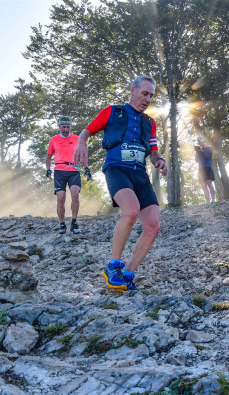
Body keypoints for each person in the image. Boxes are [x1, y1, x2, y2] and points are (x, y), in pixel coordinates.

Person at [74, 76, 167, 292]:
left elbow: (153, 153)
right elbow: (87, 132)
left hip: (140, 174)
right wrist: (81, 145)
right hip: (117, 169)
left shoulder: (149, 123)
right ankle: (113, 266)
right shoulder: (112, 112)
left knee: (153, 225)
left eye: (151, 95)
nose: (148, 99)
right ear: (133, 90)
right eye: (145, 93)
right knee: (131, 211)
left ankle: (128, 274)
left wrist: (159, 161)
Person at [46, 116, 91, 234]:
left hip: (74, 169)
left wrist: (86, 168)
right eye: (63, 127)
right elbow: (49, 156)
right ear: (59, 126)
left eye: (68, 127)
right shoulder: (54, 139)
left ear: (71, 126)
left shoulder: (76, 138)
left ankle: (74, 222)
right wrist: (48, 169)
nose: (66, 129)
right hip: (59, 170)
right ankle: (62, 224)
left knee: (75, 195)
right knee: (60, 198)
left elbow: (83, 154)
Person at [194, 136, 217, 207]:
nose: (201, 143)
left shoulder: (209, 148)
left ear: (204, 141)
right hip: (200, 170)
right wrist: (196, 153)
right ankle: (208, 203)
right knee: (204, 186)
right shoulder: (199, 150)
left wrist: (202, 151)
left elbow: (208, 157)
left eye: (201, 141)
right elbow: (196, 160)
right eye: (199, 142)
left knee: (209, 184)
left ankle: (213, 201)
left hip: (207, 168)